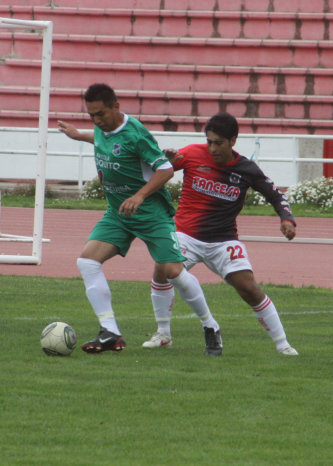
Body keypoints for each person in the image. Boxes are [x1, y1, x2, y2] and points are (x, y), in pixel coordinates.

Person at [57, 83, 222, 356]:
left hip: (150, 212)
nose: (96, 120)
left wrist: (140, 196)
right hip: (119, 213)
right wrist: (80, 135)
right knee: (87, 260)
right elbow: (103, 139)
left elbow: (166, 169)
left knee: (172, 272)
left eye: (100, 114)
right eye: (91, 116)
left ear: (116, 107)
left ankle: (210, 325)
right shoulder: (102, 128)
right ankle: (110, 331)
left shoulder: (136, 134)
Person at [143, 111, 298, 356]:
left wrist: (286, 218)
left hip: (223, 240)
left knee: (248, 288)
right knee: (163, 269)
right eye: (209, 142)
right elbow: (153, 175)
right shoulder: (192, 154)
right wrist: (163, 161)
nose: (213, 148)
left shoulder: (247, 169)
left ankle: (283, 345)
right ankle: (163, 334)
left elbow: (275, 194)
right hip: (185, 234)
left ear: (233, 141)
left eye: (219, 143)